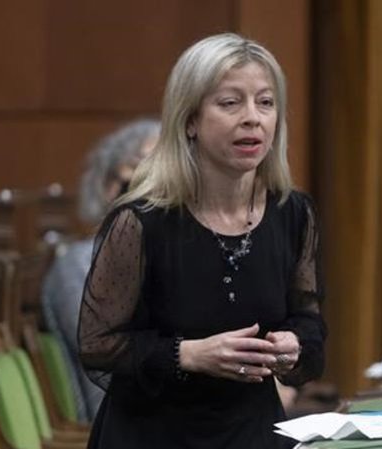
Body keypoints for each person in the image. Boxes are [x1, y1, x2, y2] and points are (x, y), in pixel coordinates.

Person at [78, 33, 327, 449]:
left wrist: (293, 345)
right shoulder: (139, 222)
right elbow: (98, 345)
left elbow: (309, 321)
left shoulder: (293, 213)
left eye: (265, 103)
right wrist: (188, 354)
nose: (252, 118)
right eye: (230, 103)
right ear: (190, 120)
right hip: (152, 437)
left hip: (253, 434)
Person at [41, 119, 160, 422]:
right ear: (108, 187)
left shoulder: (171, 258)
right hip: (127, 425)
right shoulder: (79, 265)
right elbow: (109, 365)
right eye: (137, 179)